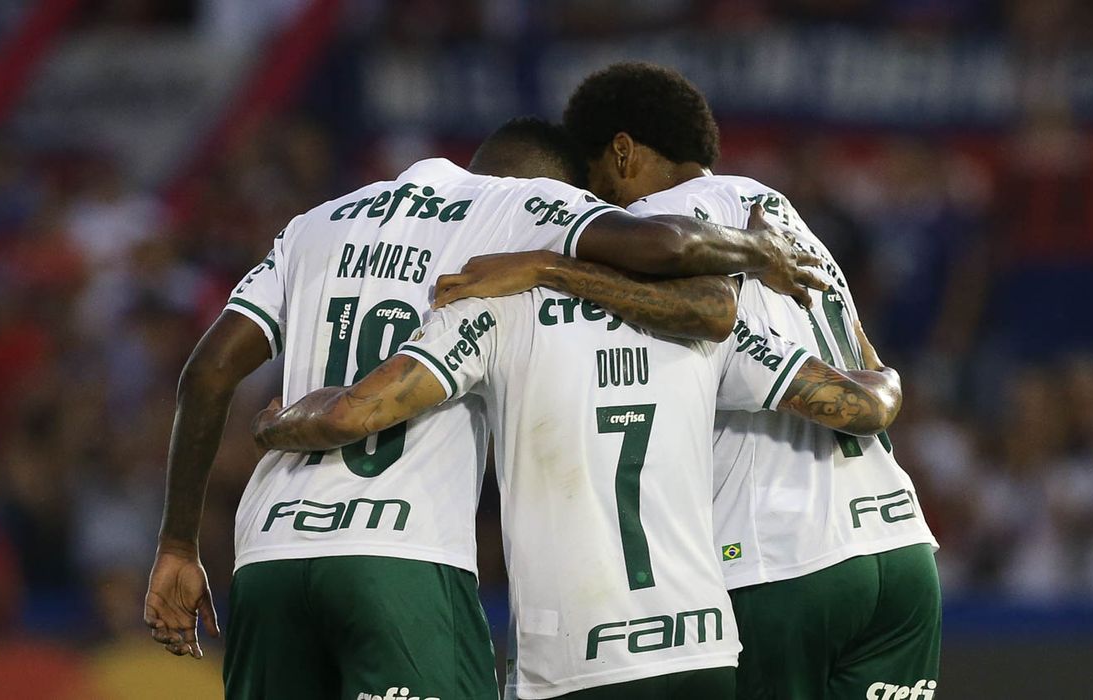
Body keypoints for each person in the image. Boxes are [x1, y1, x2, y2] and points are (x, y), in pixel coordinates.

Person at [143, 116, 824, 699]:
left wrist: (178, 543)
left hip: (268, 556)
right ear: (560, 188)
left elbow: (205, 374)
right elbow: (669, 246)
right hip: (402, 555)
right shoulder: (521, 206)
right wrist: (756, 249)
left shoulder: (316, 224)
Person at [251, 256, 902, 699]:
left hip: (572, 658)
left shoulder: (498, 309)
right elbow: (850, 404)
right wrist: (886, 375)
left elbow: (357, 412)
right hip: (702, 647)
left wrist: (279, 425)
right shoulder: (706, 325)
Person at [556, 62, 942, 699]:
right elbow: (867, 365)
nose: (600, 206)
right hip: (900, 551)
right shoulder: (788, 217)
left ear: (622, 153)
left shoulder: (658, 229)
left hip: (781, 559)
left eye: (594, 181)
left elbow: (739, 346)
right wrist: (884, 391)